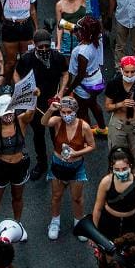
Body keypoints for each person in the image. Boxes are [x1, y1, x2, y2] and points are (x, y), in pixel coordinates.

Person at [14, 29, 70, 181]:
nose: (44, 49)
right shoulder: (27, 58)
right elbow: (16, 73)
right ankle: (42, 164)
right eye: (40, 47)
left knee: (56, 134)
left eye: (46, 46)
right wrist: (23, 89)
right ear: (34, 44)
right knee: (38, 135)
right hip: (35, 103)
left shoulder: (57, 57)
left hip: (53, 102)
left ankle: (58, 161)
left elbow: (65, 74)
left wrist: (61, 93)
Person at [0, 90, 36, 245]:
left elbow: (31, 112)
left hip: (19, 166)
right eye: (5, 114)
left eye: (10, 113)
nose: (8, 117)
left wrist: (34, 96)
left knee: (18, 197)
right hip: (0, 167)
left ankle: (17, 224)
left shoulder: (20, 121)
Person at [41, 96, 96, 241]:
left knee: (77, 198)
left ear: (75, 111)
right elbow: (44, 122)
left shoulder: (83, 126)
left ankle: (79, 222)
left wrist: (76, 153)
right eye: (63, 112)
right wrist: (50, 110)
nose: (66, 115)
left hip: (76, 167)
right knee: (56, 196)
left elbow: (92, 146)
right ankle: (55, 221)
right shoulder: (58, 122)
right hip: (58, 165)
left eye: (69, 112)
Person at [92, 147, 135, 268]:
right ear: (112, 167)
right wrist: (94, 233)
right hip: (108, 223)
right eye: (117, 169)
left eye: (124, 169)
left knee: (131, 258)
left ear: (130, 165)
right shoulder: (106, 182)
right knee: (108, 258)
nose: (121, 172)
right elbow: (98, 208)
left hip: (130, 225)